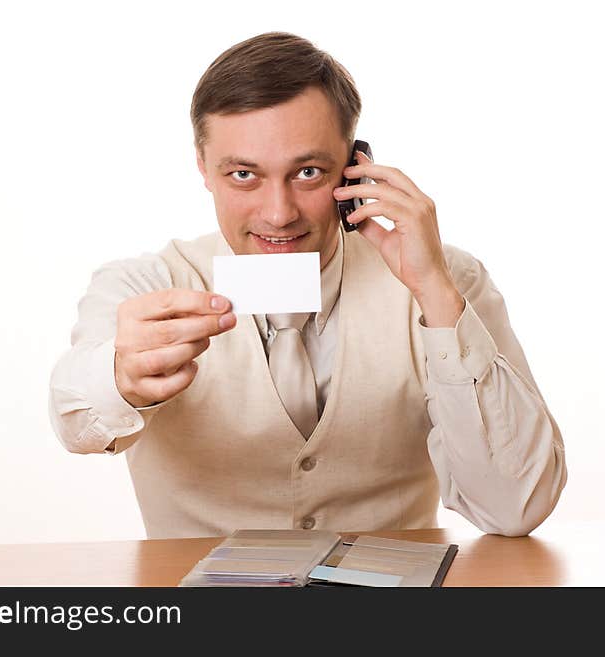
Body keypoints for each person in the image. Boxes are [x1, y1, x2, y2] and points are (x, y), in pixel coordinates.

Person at [48, 32, 567, 539]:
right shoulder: (145, 285)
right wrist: (119, 377)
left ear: (355, 166)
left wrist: (435, 293)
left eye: (309, 172)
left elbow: (515, 507)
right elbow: (77, 424)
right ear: (204, 167)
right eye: (244, 176)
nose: (279, 214)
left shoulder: (447, 281)